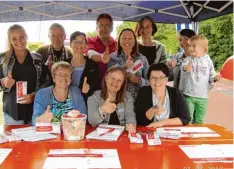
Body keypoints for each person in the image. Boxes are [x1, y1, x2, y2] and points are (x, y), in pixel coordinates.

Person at [0, 24, 47, 125]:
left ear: (26, 37)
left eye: (21, 37)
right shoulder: (3, 59)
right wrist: (3, 83)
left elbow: (46, 82)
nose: (19, 41)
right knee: (15, 141)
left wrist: (34, 95)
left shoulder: (37, 58)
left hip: (35, 109)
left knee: (34, 140)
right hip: (12, 112)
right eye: (14, 38)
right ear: (10, 40)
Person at [179, 35, 221, 124]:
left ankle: (197, 135)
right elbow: (183, 67)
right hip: (189, 95)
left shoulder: (208, 61)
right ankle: (188, 135)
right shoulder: (188, 59)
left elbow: (211, 74)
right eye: (190, 46)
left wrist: (215, 78)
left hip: (203, 96)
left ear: (203, 48)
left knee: (200, 119)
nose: (191, 48)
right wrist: (186, 68)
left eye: (194, 46)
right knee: (188, 118)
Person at [135, 63, 190, 127]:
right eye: (153, 78)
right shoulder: (143, 92)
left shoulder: (175, 93)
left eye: (161, 77)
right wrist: (152, 111)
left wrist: (161, 123)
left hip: (170, 133)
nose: (157, 81)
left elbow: (185, 118)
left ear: (166, 79)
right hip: (150, 132)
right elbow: (139, 120)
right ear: (149, 80)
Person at [87, 66, 136, 133]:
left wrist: (131, 124)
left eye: (119, 81)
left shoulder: (127, 96)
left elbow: (130, 115)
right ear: (106, 78)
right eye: (112, 78)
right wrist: (102, 110)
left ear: (122, 84)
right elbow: (92, 122)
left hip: (121, 135)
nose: (115, 83)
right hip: (101, 137)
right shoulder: (94, 97)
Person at [108, 28, 149, 100]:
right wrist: (124, 68)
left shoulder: (142, 59)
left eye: (130, 38)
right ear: (119, 40)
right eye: (124, 38)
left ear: (134, 41)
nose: (127, 41)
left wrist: (139, 80)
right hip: (118, 101)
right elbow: (108, 80)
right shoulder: (112, 57)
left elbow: (150, 82)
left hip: (138, 100)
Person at [69, 31, 100, 102]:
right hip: (67, 104)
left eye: (82, 41)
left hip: (86, 104)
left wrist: (89, 89)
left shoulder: (93, 66)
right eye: (76, 41)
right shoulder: (63, 64)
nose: (79, 44)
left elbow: (97, 88)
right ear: (70, 44)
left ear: (86, 45)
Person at [86, 13, 117, 81]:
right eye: (101, 26)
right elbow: (90, 53)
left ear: (112, 28)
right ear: (97, 28)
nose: (104, 28)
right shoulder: (90, 41)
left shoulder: (117, 44)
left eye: (107, 25)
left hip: (114, 85)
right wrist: (102, 57)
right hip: (95, 85)